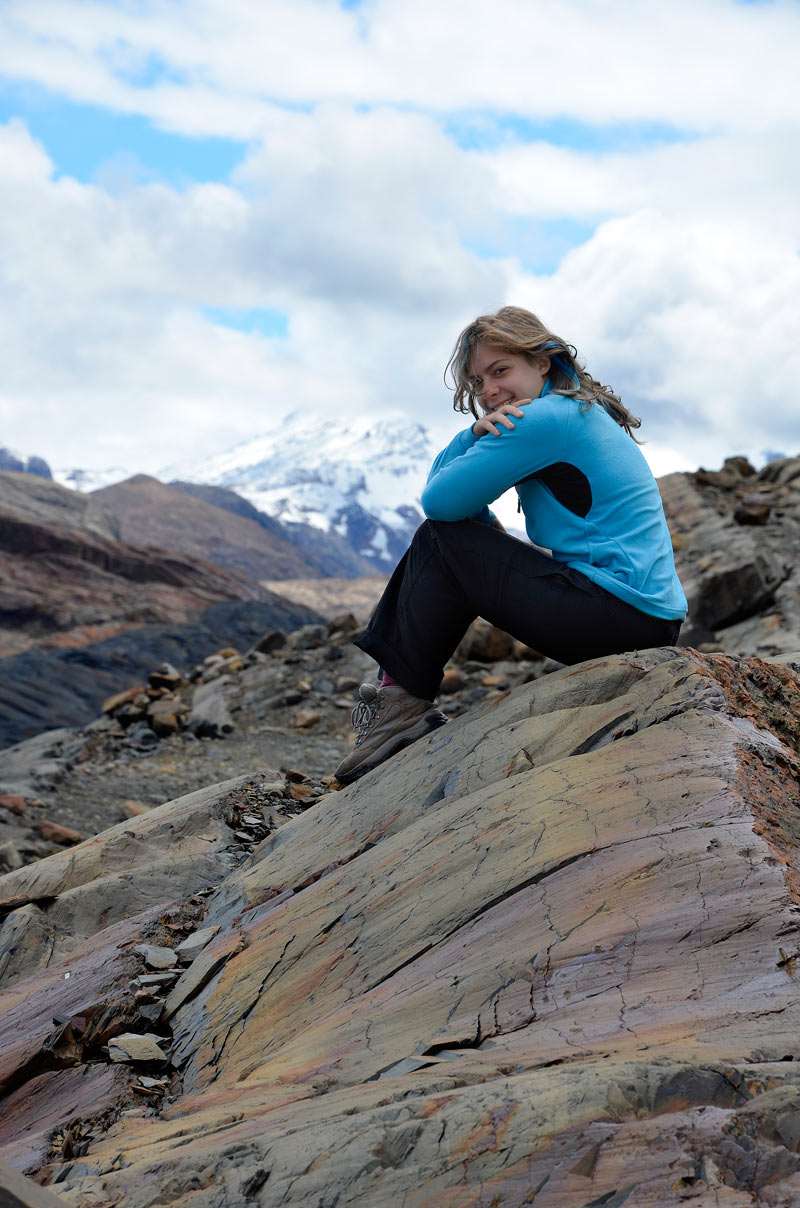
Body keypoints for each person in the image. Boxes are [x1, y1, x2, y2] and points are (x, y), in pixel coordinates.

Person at [334, 305, 687, 785]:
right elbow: (455, 505)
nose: (490, 392)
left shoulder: (546, 418)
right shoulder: (575, 408)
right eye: (479, 382)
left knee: (441, 539)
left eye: (501, 371)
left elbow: (439, 501)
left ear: (542, 362)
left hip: (618, 616)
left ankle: (397, 703)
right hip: (643, 619)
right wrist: (472, 440)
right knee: (455, 532)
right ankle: (397, 699)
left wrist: (466, 439)